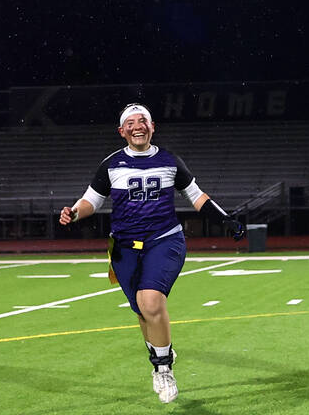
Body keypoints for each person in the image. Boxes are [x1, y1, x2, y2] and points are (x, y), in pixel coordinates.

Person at [58, 103, 244, 404]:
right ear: (122, 131)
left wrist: (225, 219)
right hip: (124, 246)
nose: (137, 126)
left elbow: (196, 196)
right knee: (142, 311)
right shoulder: (111, 164)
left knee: (151, 301)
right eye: (130, 122)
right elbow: (91, 200)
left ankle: (163, 367)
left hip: (164, 240)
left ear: (152, 126)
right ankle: (162, 352)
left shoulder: (170, 160)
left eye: (142, 120)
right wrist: (74, 213)